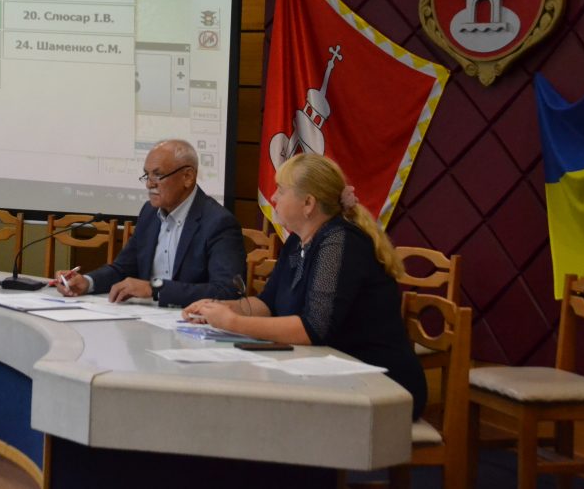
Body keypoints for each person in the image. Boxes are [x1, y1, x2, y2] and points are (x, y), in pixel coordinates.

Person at [182, 153, 427, 419]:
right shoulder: (297, 241)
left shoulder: (338, 242)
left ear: (308, 203)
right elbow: (266, 303)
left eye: (281, 190)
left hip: (379, 385)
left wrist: (232, 322)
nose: (273, 197)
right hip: (330, 376)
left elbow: (314, 329)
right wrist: (218, 308)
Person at [56, 139, 246, 307]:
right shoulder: (149, 212)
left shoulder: (218, 223)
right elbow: (123, 268)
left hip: (192, 322)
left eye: (158, 175)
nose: (149, 184)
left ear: (187, 177)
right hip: (147, 317)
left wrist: (156, 289)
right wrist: (88, 282)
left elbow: (228, 291)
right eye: (147, 175)